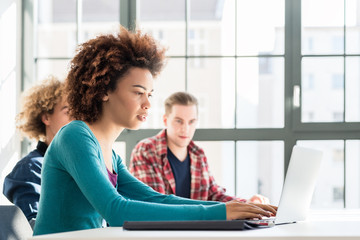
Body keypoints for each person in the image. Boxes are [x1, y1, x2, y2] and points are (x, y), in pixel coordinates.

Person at [33, 26, 276, 236]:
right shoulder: (74, 135)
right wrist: (220, 212)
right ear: (105, 90)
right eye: (138, 92)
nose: (147, 104)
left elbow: (156, 198)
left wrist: (232, 208)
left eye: (149, 95)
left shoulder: (111, 155)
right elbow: (116, 210)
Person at [129, 92, 269, 204]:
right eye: (179, 121)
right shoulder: (145, 150)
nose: (186, 129)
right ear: (166, 120)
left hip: (196, 232)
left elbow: (214, 195)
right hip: (158, 234)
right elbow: (155, 204)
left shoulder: (198, 154)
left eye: (191, 122)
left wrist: (247, 204)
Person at [3, 76, 70, 229]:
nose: (76, 119)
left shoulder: (80, 164)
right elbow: (33, 226)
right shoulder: (30, 167)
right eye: (68, 112)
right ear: (46, 117)